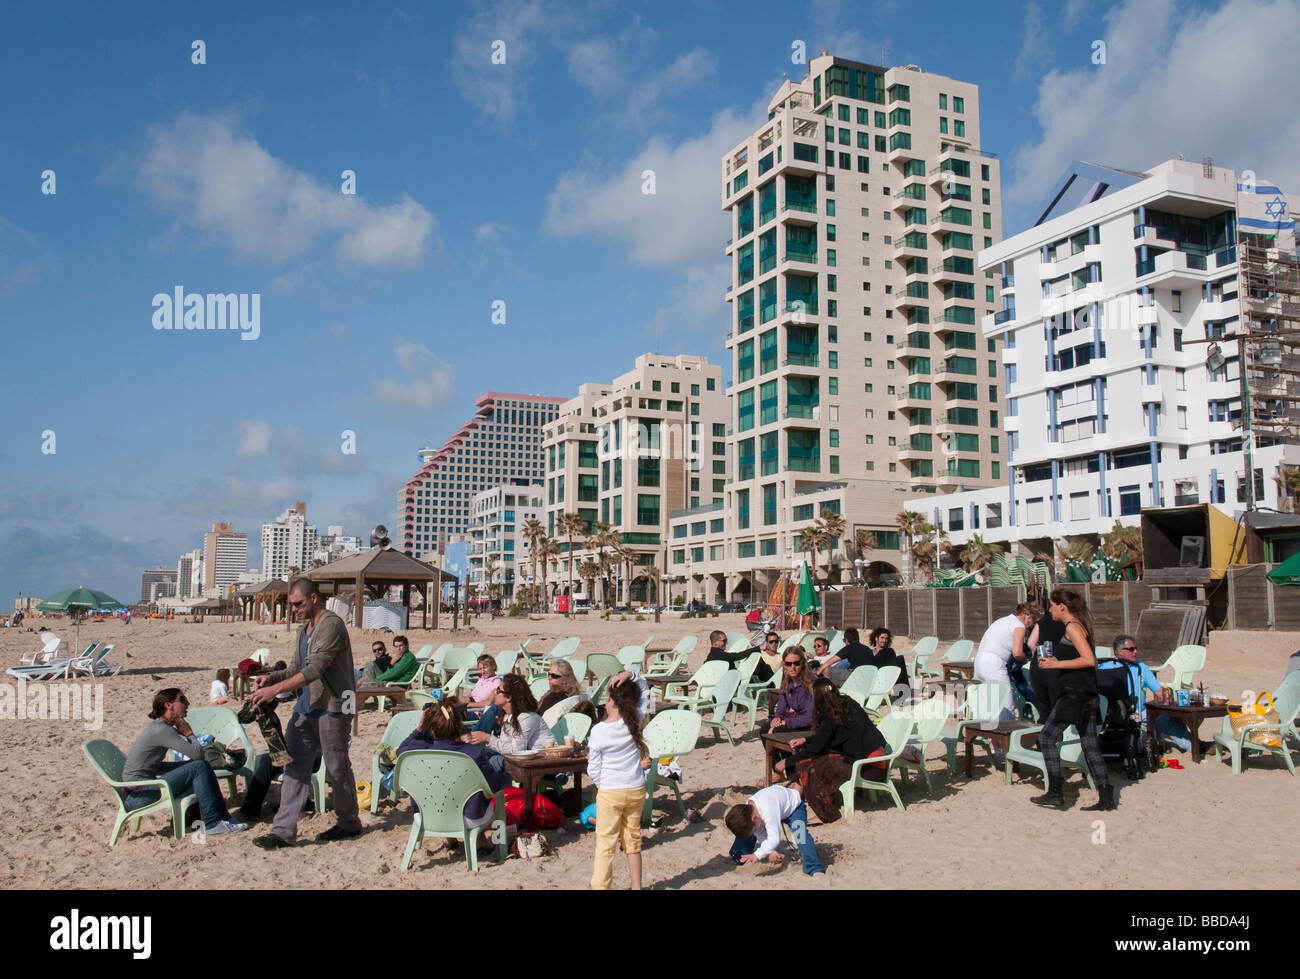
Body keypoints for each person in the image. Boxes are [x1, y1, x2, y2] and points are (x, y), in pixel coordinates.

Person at [248, 577, 361, 848]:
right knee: (294, 767)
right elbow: (296, 668)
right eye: (291, 605)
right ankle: (283, 831)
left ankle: (349, 822)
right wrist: (271, 678)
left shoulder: (331, 625)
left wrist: (274, 692)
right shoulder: (303, 630)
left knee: (336, 766)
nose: (294, 609)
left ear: (313, 599)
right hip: (306, 707)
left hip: (335, 705)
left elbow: (314, 670)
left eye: (298, 603)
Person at [121, 688, 247, 836]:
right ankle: (213, 823)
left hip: (139, 792)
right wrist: (189, 734)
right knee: (200, 766)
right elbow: (198, 754)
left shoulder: (159, 727)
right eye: (182, 700)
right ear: (168, 705)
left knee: (200, 767)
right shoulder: (162, 730)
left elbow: (154, 766)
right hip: (139, 796)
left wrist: (185, 766)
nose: (188, 703)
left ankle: (223, 818)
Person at [1032, 589, 1114, 811]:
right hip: (1086, 693)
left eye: (1051, 605)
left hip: (1075, 694)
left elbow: (1090, 660)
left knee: (1047, 737)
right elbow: (1079, 657)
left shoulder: (1072, 627)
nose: (1049, 610)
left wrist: (1055, 664)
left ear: (1062, 607)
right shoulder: (1079, 625)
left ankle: (1055, 793)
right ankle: (1106, 796)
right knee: (1089, 743)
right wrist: (1058, 658)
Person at [775, 677, 889, 822]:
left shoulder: (829, 716)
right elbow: (830, 734)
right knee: (812, 762)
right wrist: (806, 739)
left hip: (868, 768)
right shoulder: (847, 704)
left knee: (812, 766)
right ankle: (794, 798)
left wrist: (786, 762)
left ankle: (826, 813)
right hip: (876, 763)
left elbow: (816, 748)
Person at [396, 698, 509, 821]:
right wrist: (509, 776)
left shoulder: (415, 752)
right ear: (459, 726)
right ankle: (478, 839)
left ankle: (452, 840)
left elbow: (400, 750)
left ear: (431, 730)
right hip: (466, 818)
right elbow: (493, 785)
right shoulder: (473, 754)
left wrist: (420, 729)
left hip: (426, 815)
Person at [588, 676, 653, 889]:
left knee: (605, 843)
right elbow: (644, 690)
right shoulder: (634, 719)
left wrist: (601, 784)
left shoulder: (598, 731)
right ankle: (637, 886)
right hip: (635, 788)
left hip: (610, 790)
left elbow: (593, 769)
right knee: (633, 841)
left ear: (608, 699)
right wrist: (630, 675)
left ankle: (601, 886)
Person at [1100, 635, 1193, 752]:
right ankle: (1194, 747)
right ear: (1120, 652)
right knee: (1166, 721)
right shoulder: (1107, 668)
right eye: (1131, 649)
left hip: (1125, 713)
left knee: (1170, 719)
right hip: (1125, 712)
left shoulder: (1138, 667)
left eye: (1136, 648)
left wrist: (1173, 710)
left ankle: (1194, 745)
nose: (1136, 652)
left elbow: (1159, 692)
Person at [725, 782, 824, 876]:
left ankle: (814, 867)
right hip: (778, 809)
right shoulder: (750, 808)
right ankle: (738, 853)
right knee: (752, 831)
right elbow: (761, 834)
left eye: (754, 829)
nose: (756, 831)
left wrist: (757, 855)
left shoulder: (767, 810)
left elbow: (774, 839)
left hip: (795, 808)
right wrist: (770, 851)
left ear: (754, 818)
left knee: (801, 836)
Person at [973, 603, 1040, 721]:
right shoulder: (1019, 626)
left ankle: (991, 737)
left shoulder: (1003, 620)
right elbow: (1017, 653)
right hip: (994, 664)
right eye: (1033, 621)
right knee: (1006, 706)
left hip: (980, 662)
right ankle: (1005, 737)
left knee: (994, 704)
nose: (1031, 625)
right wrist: (1026, 659)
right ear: (1028, 615)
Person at [466, 673, 555, 755]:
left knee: (487, 758)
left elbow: (517, 751)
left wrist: (488, 738)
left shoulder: (526, 717)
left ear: (508, 697)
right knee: (478, 753)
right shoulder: (507, 715)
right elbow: (506, 746)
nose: (494, 693)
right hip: (518, 761)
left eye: (498, 690)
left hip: (539, 762)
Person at [762, 647, 814, 734]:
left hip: (809, 725)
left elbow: (810, 717)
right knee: (765, 729)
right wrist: (776, 718)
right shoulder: (787, 682)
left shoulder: (811, 683)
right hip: (795, 720)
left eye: (796, 663)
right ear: (784, 665)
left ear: (802, 664)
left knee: (776, 731)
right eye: (788, 664)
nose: (792, 667)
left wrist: (785, 722)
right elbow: (781, 708)